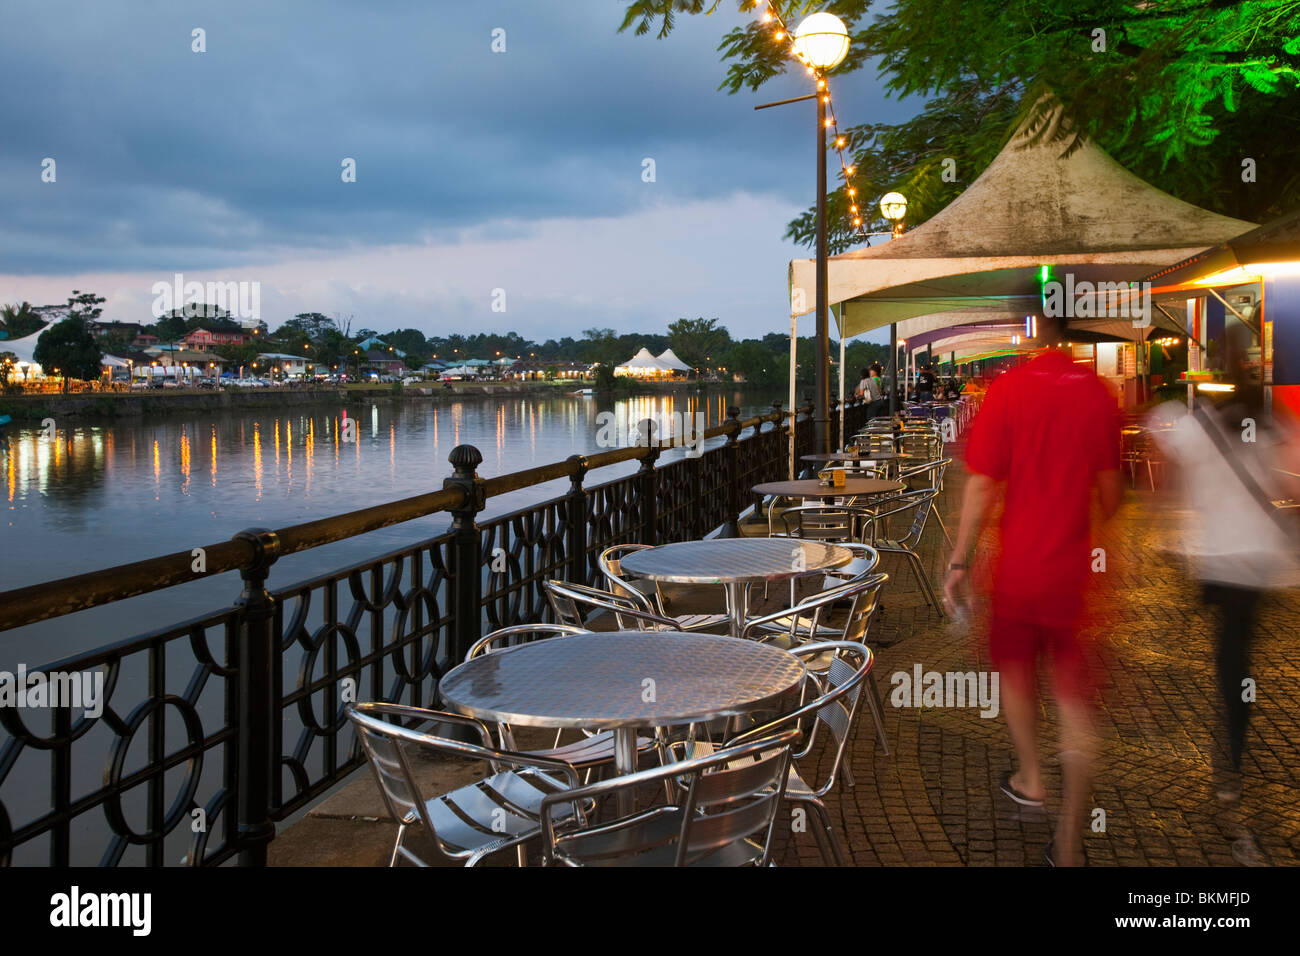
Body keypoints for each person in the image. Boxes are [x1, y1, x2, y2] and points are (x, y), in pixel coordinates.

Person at [945, 316, 1122, 867]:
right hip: (1075, 574)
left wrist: (958, 561)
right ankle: (1069, 845)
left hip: (1020, 571)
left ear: (1035, 334)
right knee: (1073, 702)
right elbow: (1112, 494)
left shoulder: (1010, 390)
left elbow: (981, 484)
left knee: (1017, 675)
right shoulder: (1097, 392)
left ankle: (1031, 776)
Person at [1151, 326, 1300, 864]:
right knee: (1242, 658)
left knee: (1230, 661)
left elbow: (1167, 467)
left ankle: (1229, 757)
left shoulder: (1201, 423)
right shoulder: (1266, 418)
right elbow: (1293, 486)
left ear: (1215, 365)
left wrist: (1170, 529)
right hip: (1257, 562)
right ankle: (1234, 747)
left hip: (1218, 560)